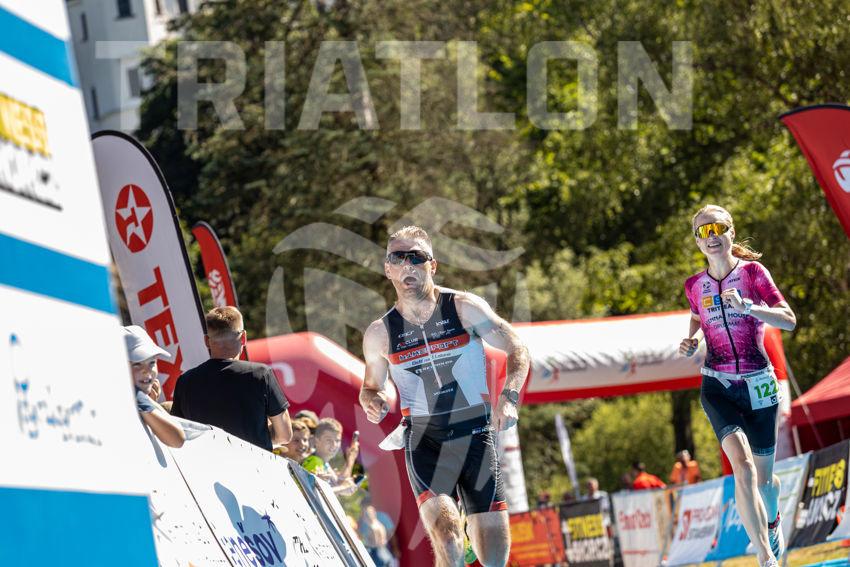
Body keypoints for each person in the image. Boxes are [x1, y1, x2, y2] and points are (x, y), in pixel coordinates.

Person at [359, 226, 531, 567]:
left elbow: (516, 346)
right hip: (426, 439)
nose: (407, 265)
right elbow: (370, 387)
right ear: (387, 269)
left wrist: (509, 396)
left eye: (416, 257)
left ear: (432, 266)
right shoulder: (380, 332)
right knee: (448, 539)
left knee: (494, 557)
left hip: (475, 434)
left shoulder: (464, 308)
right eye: (398, 258)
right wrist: (372, 400)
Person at [680, 204, 796, 567]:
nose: (711, 236)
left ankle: (772, 521)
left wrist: (749, 307)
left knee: (765, 483)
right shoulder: (694, 285)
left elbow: (789, 320)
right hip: (718, 385)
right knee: (741, 468)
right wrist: (691, 340)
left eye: (717, 228)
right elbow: (697, 317)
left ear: (731, 232)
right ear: (698, 241)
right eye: (704, 231)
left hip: (759, 384)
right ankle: (765, 556)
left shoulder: (753, 274)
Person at [171, 307, 292, 451]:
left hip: (204, 462)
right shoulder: (261, 374)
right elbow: (284, 435)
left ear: (207, 341)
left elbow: (177, 434)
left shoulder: (185, 381)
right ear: (243, 337)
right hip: (252, 463)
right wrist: (259, 436)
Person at [123, 325, 185, 448]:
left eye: (152, 362)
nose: (147, 371)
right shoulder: (131, 393)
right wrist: (147, 402)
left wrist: (151, 403)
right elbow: (177, 438)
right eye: (137, 364)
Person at [301, 417, 360, 495]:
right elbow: (313, 493)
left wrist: (351, 459)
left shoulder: (324, 463)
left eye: (337, 441)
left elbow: (338, 483)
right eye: (329, 440)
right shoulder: (315, 461)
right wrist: (342, 488)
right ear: (316, 440)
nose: (334, 445)